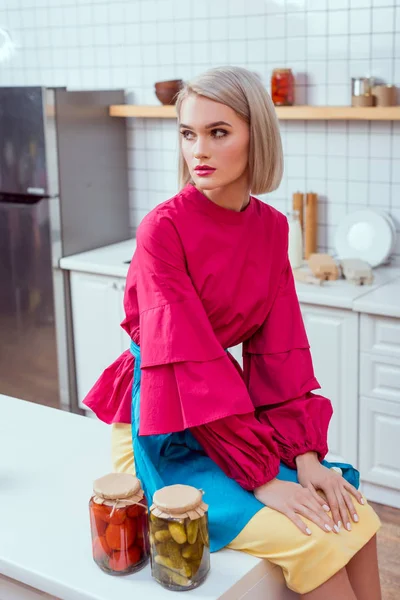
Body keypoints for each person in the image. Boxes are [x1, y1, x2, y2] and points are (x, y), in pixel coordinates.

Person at [84, 66, 381, 599]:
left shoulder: (271, 228)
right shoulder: (163, 229)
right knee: (314, 536)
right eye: (187, 133)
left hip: (228, 414)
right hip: (163, 423)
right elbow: (189, 363)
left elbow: (279, 350)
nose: (198, 149)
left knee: (356, 518)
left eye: (218, 132)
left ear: (255, 136)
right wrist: (263, 476)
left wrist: (305, 455)